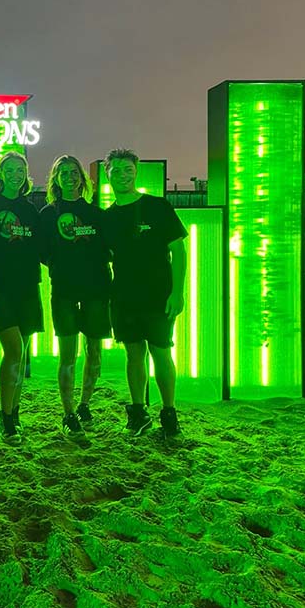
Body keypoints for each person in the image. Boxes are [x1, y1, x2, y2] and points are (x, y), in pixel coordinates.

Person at [103, 149, 187, 439]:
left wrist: (178, 293)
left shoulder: (157, 206)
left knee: (161, 352)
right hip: (124, 298)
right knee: (134, 355)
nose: (123, 175)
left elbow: (178, 250)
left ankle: (169, 413)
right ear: (107, 175)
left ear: (136, 172)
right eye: (116, 170)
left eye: (128, 169)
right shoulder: (108, 218)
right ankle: (138, 413)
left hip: (158, 296)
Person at [40, 155, 112, 438]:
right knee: (67, 356)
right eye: (64, 173)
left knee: (94, 352)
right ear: (56, 180)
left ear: (82, 179)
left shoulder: (97, 214)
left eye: (74, 173)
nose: (70, 177)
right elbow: (42, 251)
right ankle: (68, 412)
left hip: (97, 289)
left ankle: (84, 405)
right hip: (64, 290)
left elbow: (108, 249)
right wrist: (59, 265)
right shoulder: (48, 214)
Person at [0, 152, 43, 444]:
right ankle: (5, 416)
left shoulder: (30, 209)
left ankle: (14, 412)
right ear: (0, 173)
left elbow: (41, 247)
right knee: (14, 351)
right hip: (0, 288)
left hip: (27, 287)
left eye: (21, 170)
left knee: (23, 352)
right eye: (10, 169)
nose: (16, 175)